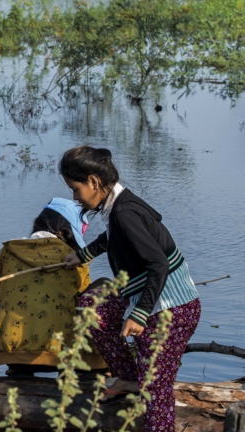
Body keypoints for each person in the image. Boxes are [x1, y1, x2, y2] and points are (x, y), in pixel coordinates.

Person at [60, 146, 200, 432]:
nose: (75, 197)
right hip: (149, 297)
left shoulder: (124, 212)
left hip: (170, 309)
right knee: (93, 309)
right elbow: (114, 236)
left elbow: (158, 264)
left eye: (75, 189)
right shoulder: (119, 205)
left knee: (155, 392)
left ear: (93, 182)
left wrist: (139, 314)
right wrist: (84, 255)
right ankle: (128, 378)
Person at [0, 198, 106, 377]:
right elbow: (83, 304)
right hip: (61, 353)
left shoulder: (8, 251)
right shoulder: (75, 259)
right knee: (103, 287)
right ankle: (92, 368)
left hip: (10, 353)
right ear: (62, 232)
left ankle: (19, 371)